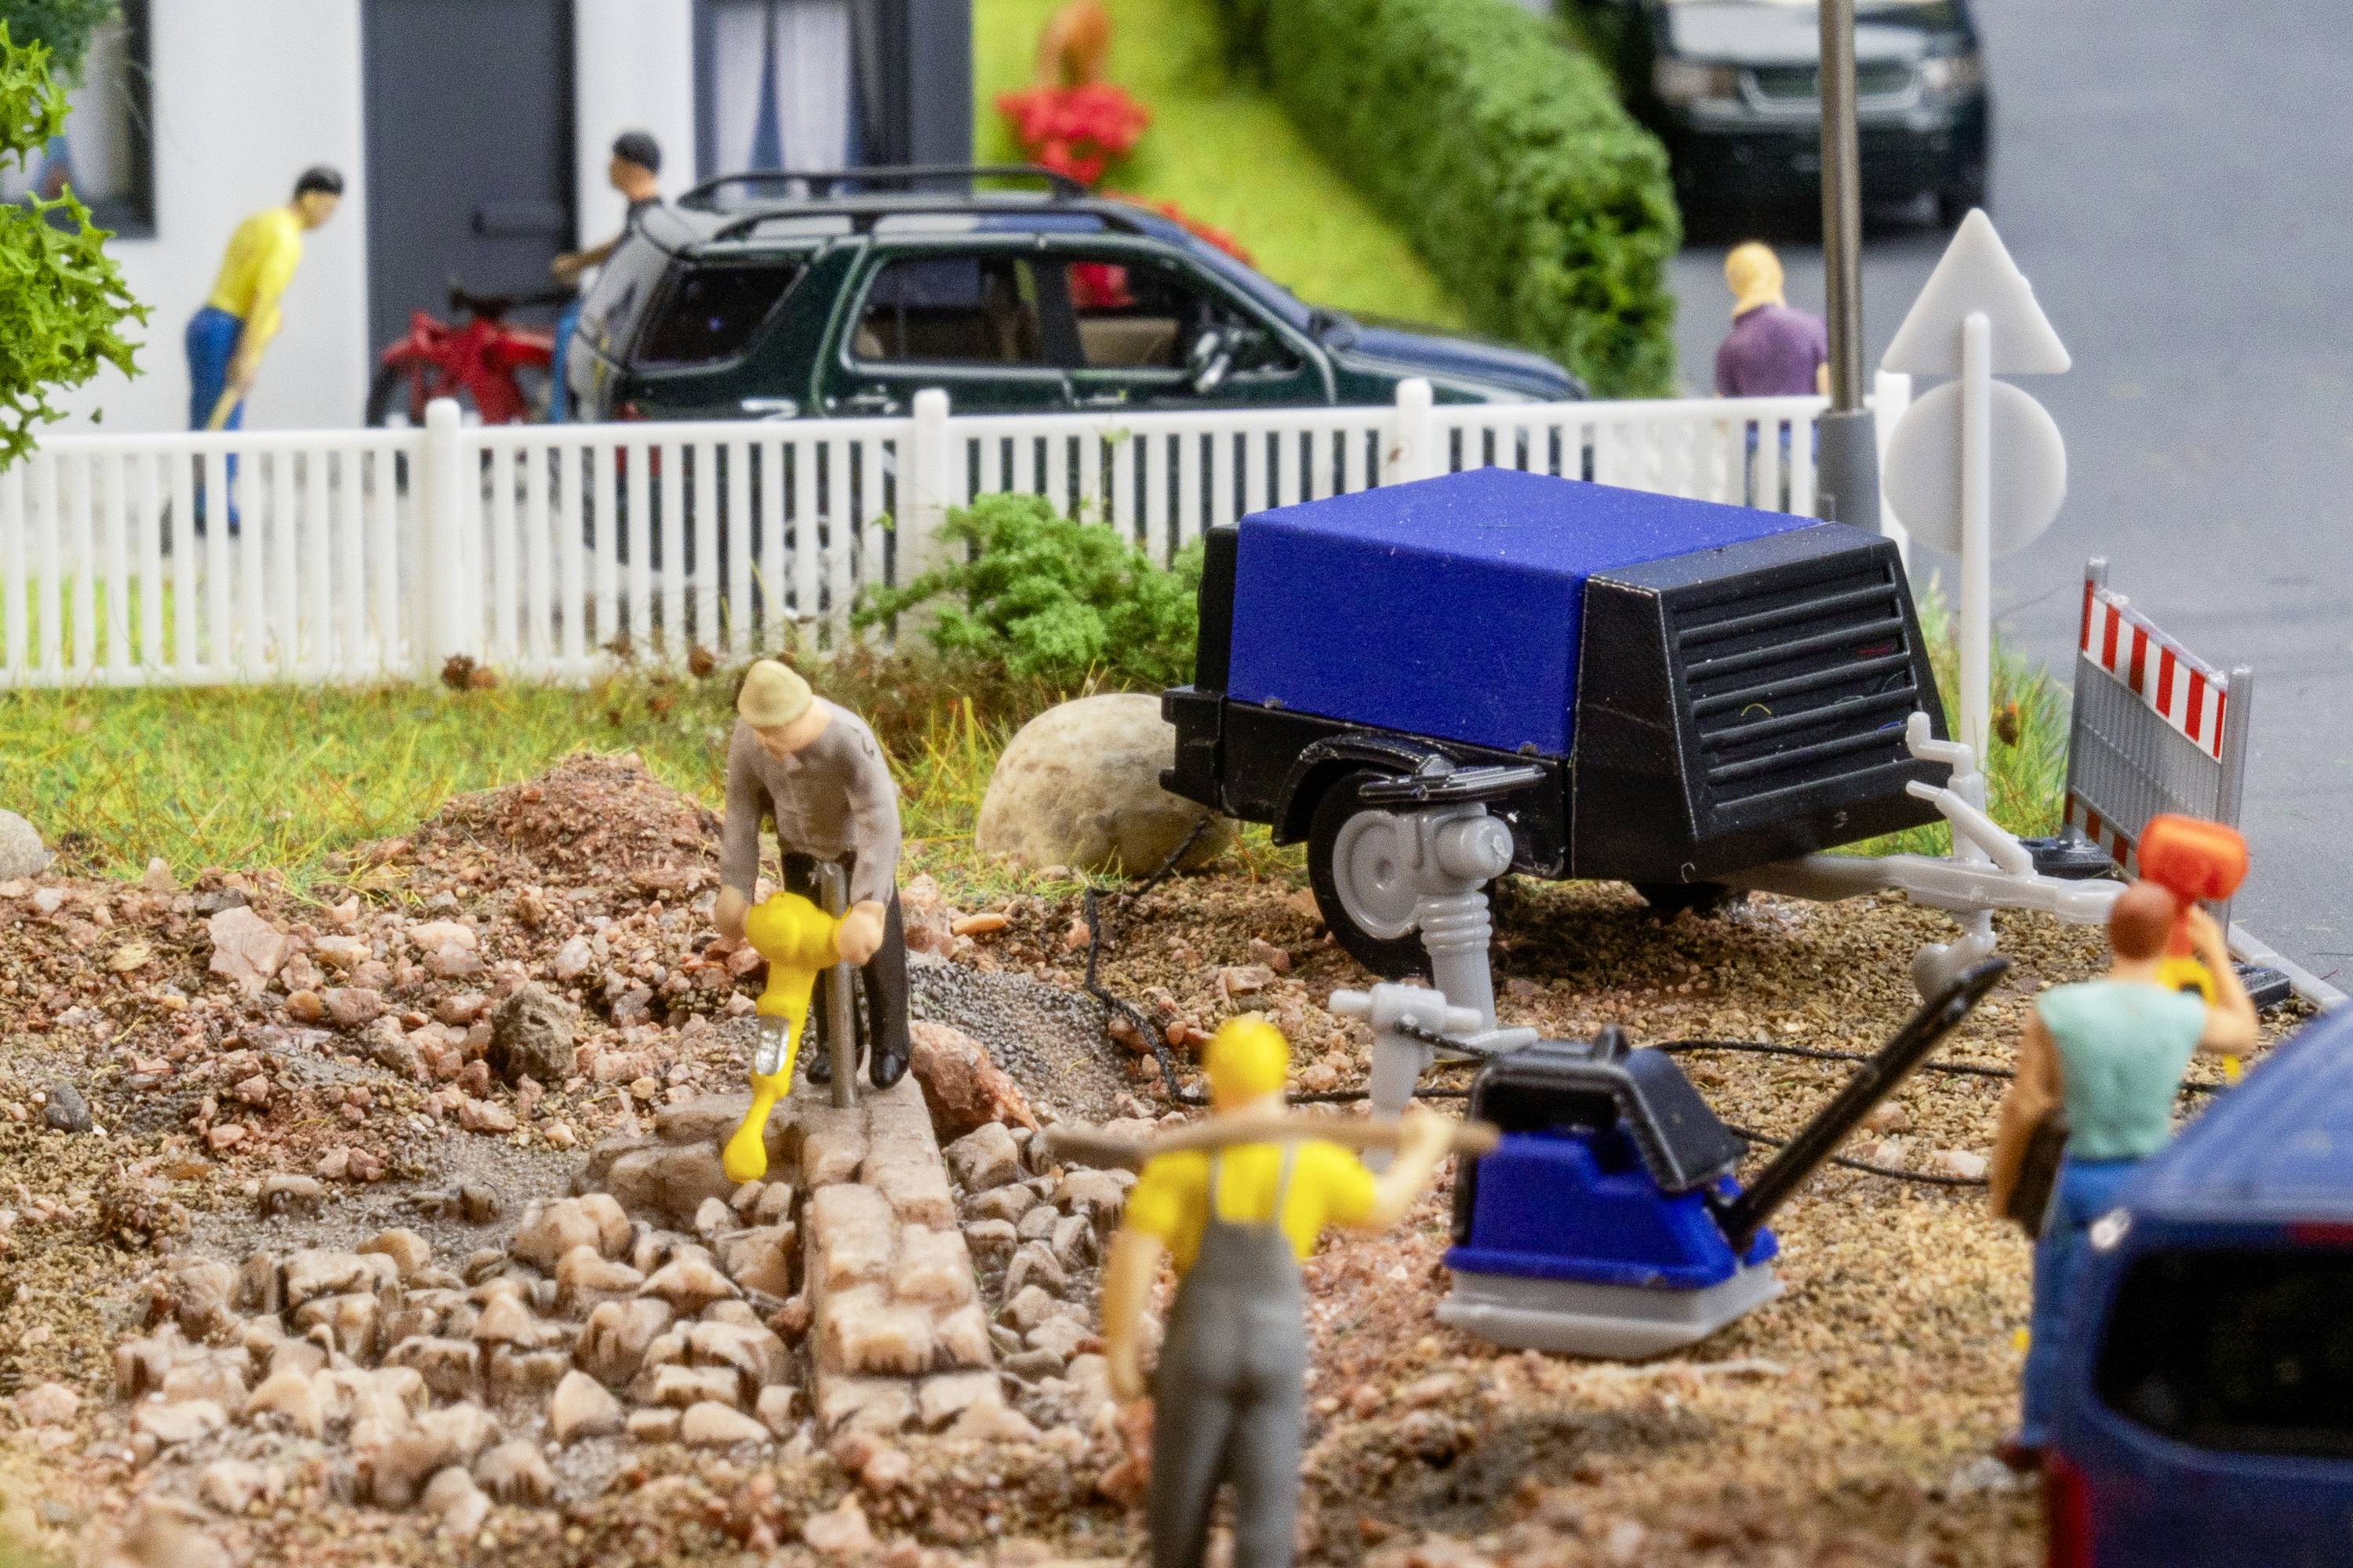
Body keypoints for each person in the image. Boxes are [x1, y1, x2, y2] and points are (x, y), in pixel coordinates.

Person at [1101, 1017, 1457, 1568]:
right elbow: (1382, 1208)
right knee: (1268, 1505)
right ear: (1281, 1081)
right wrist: (1424, 1149)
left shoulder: (1185, 1162)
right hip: (1274, 1352)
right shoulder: (1309, 1159)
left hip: (1200, 1350)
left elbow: (1134, 1257)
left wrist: (1122, 1352)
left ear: (1215, 1082)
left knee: (1181, 1494)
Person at [1988, 882, 2258, 1467]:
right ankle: (2129, 1435)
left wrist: (2004, 1184)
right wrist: (2213, 949)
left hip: (2077, 1177)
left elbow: (2026, 1106)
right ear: (2168, 939)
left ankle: (2037, 1435)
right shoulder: (2181, 1012)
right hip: (2144, 1185)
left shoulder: (2060, 1009)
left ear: (2110, 933)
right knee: (2140, 1312)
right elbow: (2244, 1032)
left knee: (2054, 1317)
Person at [713, 659, 910, 1088]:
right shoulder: (749, 739)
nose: (767, 742)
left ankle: (891, 1042)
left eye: (777, 730)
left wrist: (870, 905)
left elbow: (879, 817)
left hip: (856, 853)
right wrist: (736, 885)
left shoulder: (848, 737)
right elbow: (742, 811)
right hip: (798, 851)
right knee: (808, 949)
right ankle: (835, 1044)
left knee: (876, 951)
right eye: (761, 731)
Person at [185, 166, 343, 530]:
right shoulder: (288, 239)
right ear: (310, 198)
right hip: (228, 331)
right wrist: (245, 355)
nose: (328, 217)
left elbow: (241, 279)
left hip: (205, 322)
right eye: (328, 207)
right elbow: (262, 296)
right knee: (223, 423)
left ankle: (198, 501)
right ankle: (212, 510)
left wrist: (269, 319)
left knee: (205, 420)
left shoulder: (259, 221)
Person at [547, 131, 663, 422]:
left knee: (571, 329)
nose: (610, 166)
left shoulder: (648, 216)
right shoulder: (643, 214)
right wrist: (578, 262)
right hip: (621, 312)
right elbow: (620, 243)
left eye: (617, 159)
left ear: (633, 167)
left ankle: (561, 419)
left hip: (625, 317)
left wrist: (605, 310)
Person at [1713, 242, 1829, 398]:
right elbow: (1832, 394)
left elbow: (1723, 408)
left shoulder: (1729, 349)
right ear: (1778, 275)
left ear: (1732, 285)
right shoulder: (1814, 328)